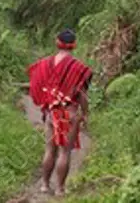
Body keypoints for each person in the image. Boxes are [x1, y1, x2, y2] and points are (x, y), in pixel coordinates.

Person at [27, 28, 93, 197]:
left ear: (57, 43)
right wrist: (85, 113)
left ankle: (44, 185)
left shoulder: (44, 64)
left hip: (51, 113)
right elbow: (82, 95)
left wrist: (46, 102)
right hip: (69, 114)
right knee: (64, 152)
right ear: (74, 45)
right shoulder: (79, 68)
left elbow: (34, 86)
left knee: (49, 150)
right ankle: (60, 189)